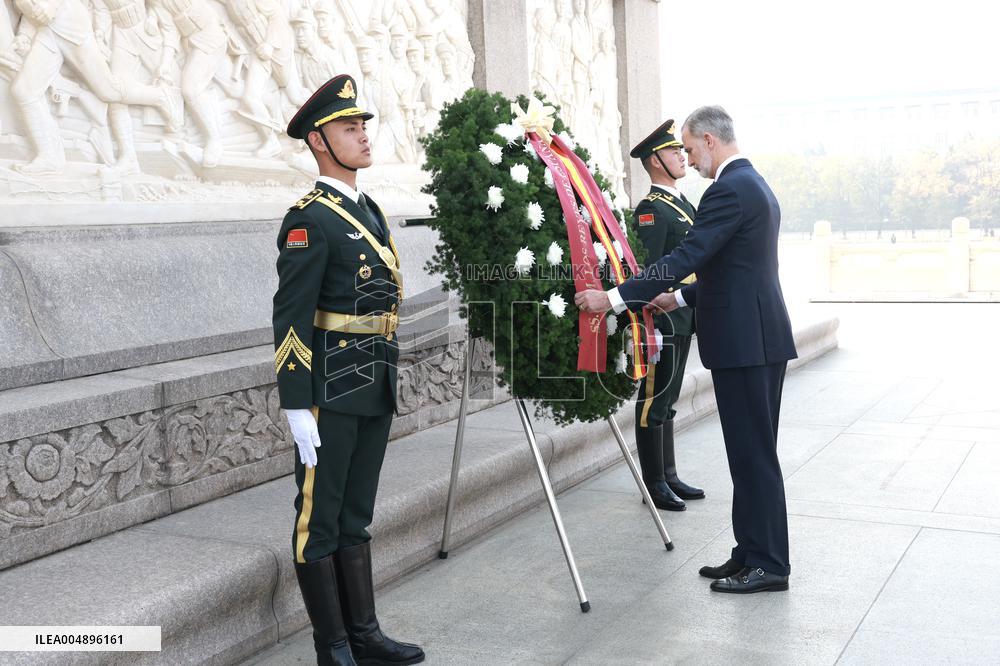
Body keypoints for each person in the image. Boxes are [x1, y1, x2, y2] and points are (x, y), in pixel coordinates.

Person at [576, 106, 798, 594]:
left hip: (747, 344)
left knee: (754, 456)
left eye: (692, 149)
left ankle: (770, 565)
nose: (690, 159)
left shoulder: (728, 189)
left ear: (710, 141)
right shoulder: (753, 184)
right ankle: (750, 552)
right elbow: (735, 272)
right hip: (754, 338)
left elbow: (687, 257)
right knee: (747, 454)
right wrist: (676, 296)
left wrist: (614, 298)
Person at [274, 73, 424, 664]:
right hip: (329, 390)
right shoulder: (310, 219)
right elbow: (291, 316)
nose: (362, 135)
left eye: (363, 125)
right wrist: (295, 404)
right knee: (319, 519)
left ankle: (364, 635)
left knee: (356, 514)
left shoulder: (368, 209)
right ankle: (331, 645)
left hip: (372, 381)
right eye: (348, 127)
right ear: (318, 141)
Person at [628, 119, 704, 512]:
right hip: (663, 315)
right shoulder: (651, 210)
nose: (682, 156)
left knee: (669, 396)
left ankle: (669, 475)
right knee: (653, 398)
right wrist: (653, 317)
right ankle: (653, 482)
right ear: (655, 161)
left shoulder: (681, 204)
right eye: (674, 152)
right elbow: (652, 268)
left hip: (683, 312)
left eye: (680, 149)